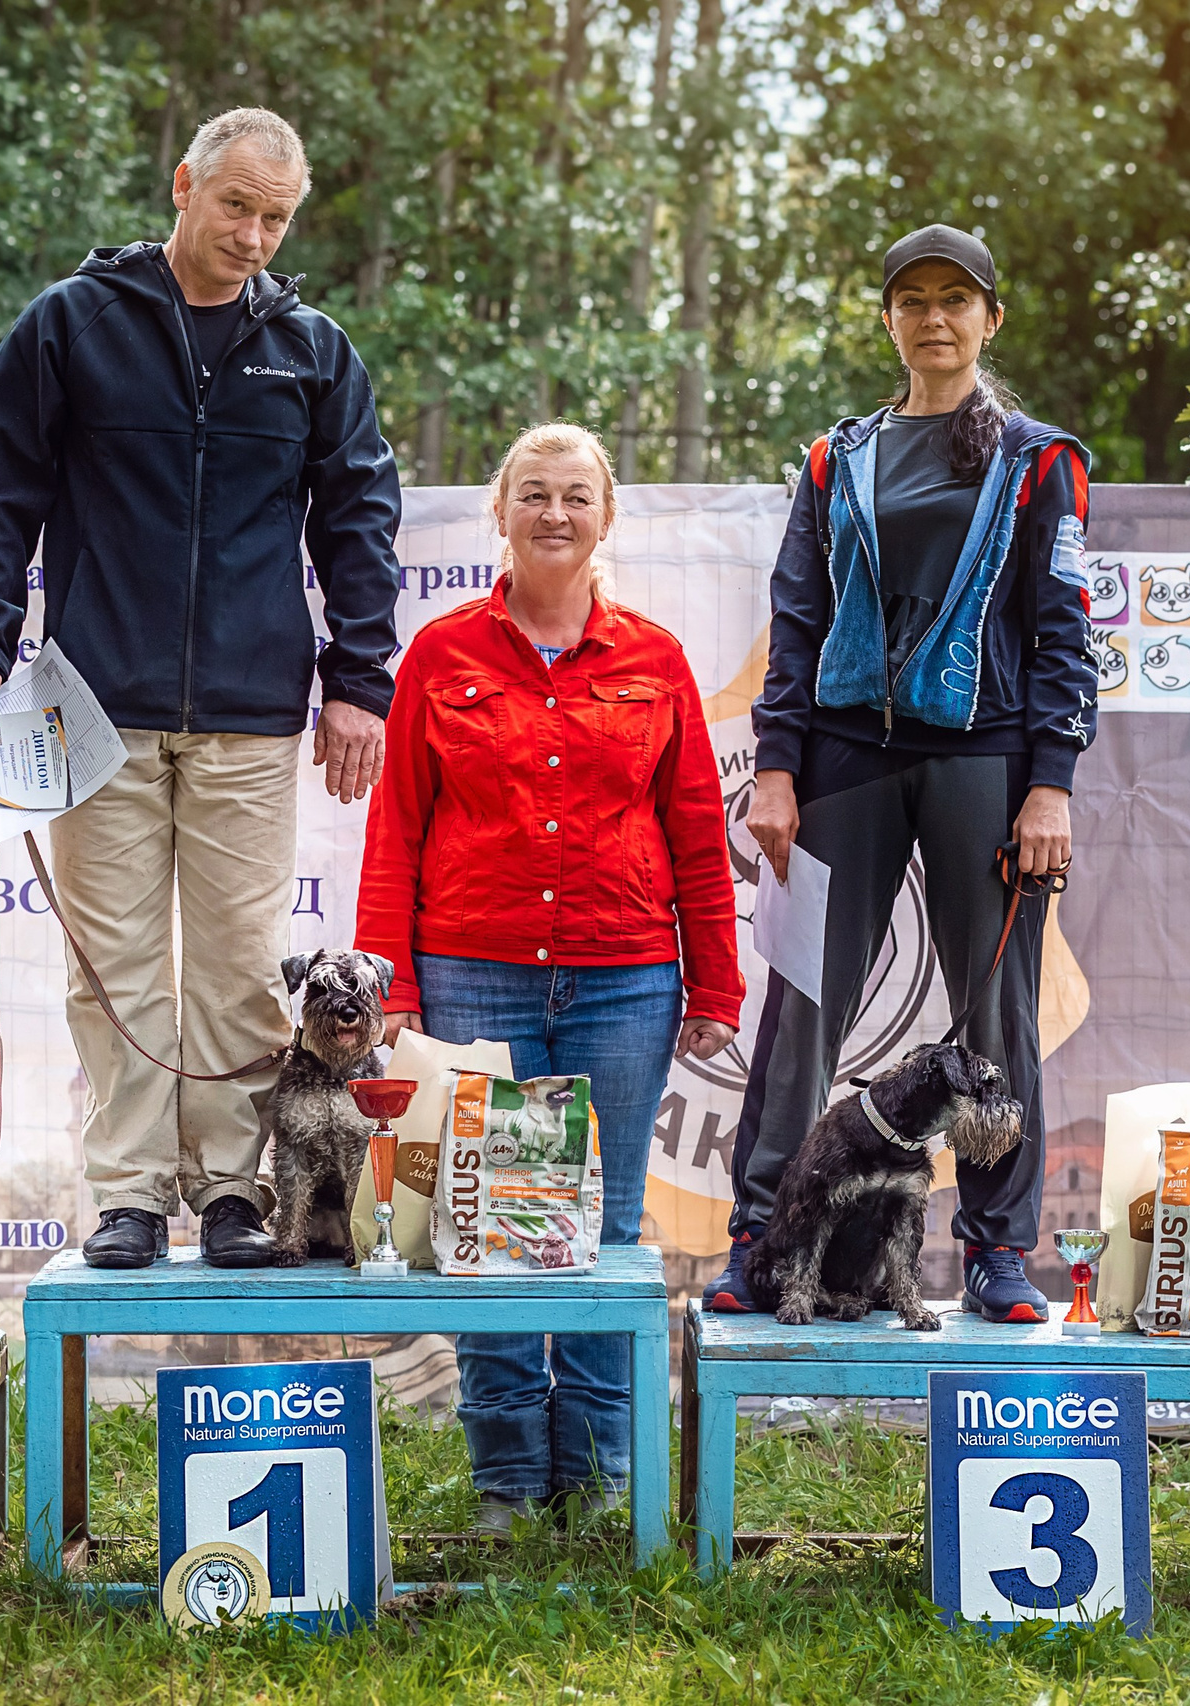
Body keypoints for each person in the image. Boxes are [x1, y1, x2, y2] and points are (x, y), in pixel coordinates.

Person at [0, 108, 402, 1270]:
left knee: (243, 972)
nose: (252, 234)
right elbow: (1, 491)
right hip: (96, 703)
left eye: (276, 218)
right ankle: (131, 1196)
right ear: (185, 184)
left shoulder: (311, 347)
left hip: (251, 715)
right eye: (236, 205)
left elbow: (359, 518)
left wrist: (358, 678)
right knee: (114, 971)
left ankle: (234, 1193)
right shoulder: (71, 323)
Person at [356, 422, 743, 1530]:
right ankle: (510, 1480)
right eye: (534, 493)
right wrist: (393, 987)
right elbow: (397, 827)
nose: (556, 513)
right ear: (500, 512)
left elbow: (695, 834)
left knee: (604, 1231)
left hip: (626, 981)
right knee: (483, 1225)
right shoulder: (440, 655)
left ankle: (605, 1472)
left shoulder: (656, 660)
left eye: (577, 494)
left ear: (606, 515)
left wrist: (715, 986)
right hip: (472, 975)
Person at [708, 223, 1094, 1325]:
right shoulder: (836, 459)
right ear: (888, 320)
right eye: (912, 299)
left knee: (998, 1020)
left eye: (954, 299)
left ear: (989, 318)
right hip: (845, 759)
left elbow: (1065, 630)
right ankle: (759, 1239)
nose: (934, 317)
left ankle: (996, 1252)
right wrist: (775, 768)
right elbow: (796, 619)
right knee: (802, 1008)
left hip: (986, 759)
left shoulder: (1041, 461)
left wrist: (1051, 782)